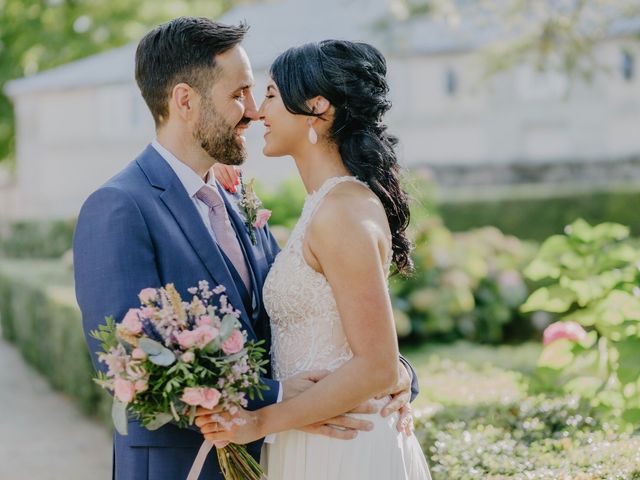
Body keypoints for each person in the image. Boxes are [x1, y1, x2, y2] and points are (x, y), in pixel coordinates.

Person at [73, 18, 418, 479]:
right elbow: (127, 366)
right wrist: (275, 400)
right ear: (185, 101)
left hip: (288, 455)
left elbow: (307, 321)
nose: (254, 111)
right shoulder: (119, 207)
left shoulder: (239, 198)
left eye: (259, 94)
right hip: (182, 466)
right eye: (239, 94)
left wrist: (393, 374)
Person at [197, 40, 432, 479]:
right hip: (308, 438)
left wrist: (259, 422)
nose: (256, 111)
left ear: (317, 107)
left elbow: (378, 364)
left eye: (269, 94)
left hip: (345, 450)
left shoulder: (342, 210)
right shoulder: (323, 205)